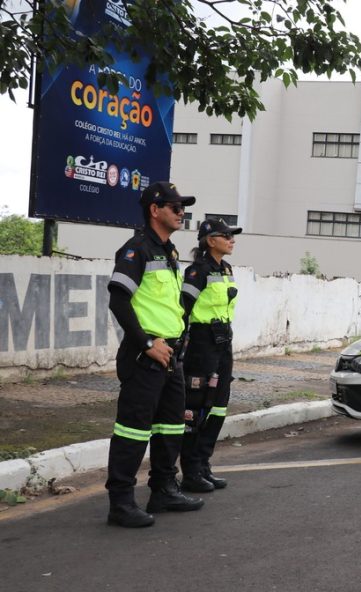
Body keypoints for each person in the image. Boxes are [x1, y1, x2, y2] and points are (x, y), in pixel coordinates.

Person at [105, 181, 205, 528]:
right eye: (176, 207)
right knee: (133, 430)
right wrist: (147, 343)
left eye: (183, 208)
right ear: (155, 210)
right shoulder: (136, 251)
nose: (182, 213)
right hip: (145, 355)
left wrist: (182, 339)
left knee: (171, 427)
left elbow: (169, 305)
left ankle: (163, 489)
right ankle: (120, 503)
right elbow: (118, 300)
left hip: (171, 354)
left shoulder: (170, 253)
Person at [179, 218, 241, 493]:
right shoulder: (197, 271)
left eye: (232, 236)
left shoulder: (225, 269)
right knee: (197, 407)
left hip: (223, 340)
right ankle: (190, 470)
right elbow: (183, 308)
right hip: (202, 343)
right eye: (226, 235)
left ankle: (203, 464)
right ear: (210, 240)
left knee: (219, 404)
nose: (232, 240)